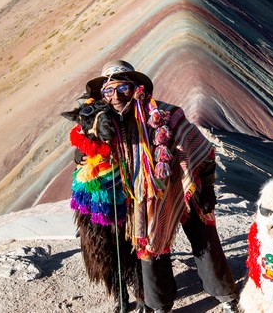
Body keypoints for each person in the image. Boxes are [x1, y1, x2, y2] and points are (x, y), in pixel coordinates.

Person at [82, 59, 238, 313]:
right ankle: (159, 305)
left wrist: (207, 188)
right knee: (151, 247)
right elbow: (86, 157)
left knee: (204, 240)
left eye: (122, 88)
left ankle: (224, 293)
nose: (115, 96)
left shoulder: (166, 115)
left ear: (136, 88)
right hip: (144, 200)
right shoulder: (103, 126)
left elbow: (201, 150)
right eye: (108, 91)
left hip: (184, 189)